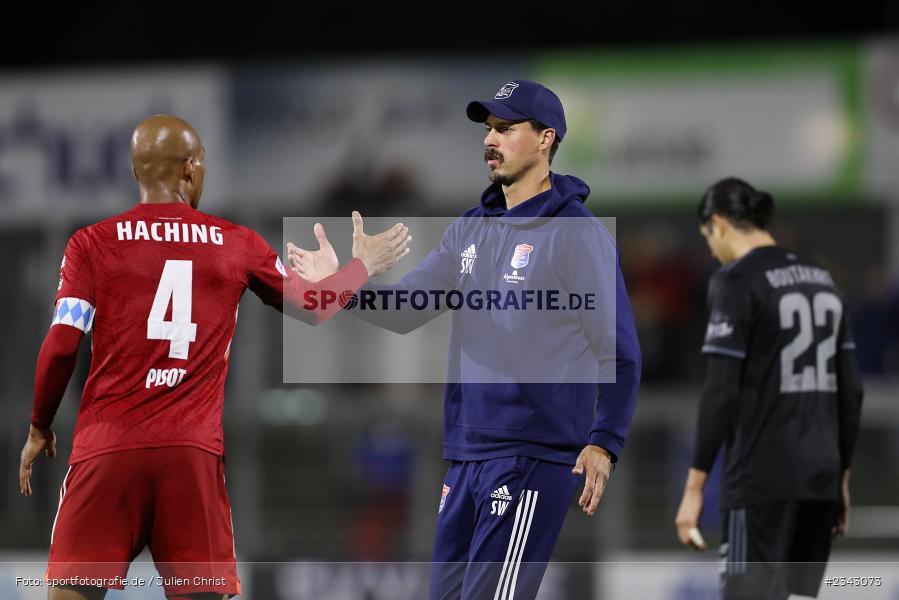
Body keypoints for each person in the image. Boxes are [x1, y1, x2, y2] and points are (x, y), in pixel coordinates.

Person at [18, 114, 411, 600]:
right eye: (201, 163)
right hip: (190, 461)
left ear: (137, 172)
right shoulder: (235, 243)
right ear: (189, 168)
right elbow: (316, 308)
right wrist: (360, 266)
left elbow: (61, 344)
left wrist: (39, 424)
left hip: (106, 454)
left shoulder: (91, 243)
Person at [288, 80, 642, 600]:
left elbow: (621, 350)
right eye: (487, 128)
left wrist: (604, 442)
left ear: (546, 139)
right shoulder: (471, 229)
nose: (490, 140)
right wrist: (346, 281)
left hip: (530, 456)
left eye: (506, 127)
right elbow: (408, 309)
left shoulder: (578, 235)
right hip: (466, 455)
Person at [674, 177, 864, 600]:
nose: (710, 249)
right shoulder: (823, 279)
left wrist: (694, 489)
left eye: (708, 236)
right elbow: (851, 392)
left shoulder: (736, 280)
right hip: (821, 476)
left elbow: (720, 391)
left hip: (762, 478)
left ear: (719, 223)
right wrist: (842, 476)